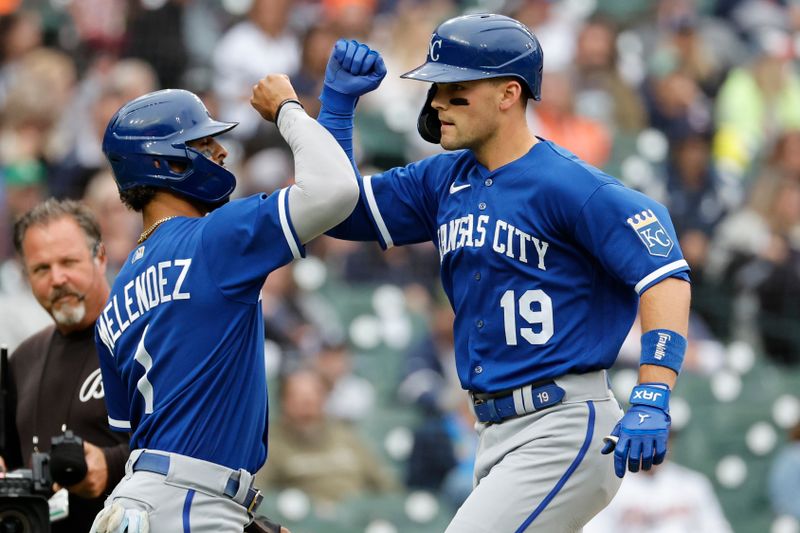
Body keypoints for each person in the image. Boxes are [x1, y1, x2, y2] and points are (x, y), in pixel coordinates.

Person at [317, 14, 692, 532]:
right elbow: (338, 210)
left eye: (457, 90)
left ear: (508, 93)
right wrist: (336, 108)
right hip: (493, 431)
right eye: (436, 90)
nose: (439, 104)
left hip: (563, 421)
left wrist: (653, 391)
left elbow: (665, 270)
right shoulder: (442, 179)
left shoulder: (567, 183)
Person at [89, 76, 359, 533]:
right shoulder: (215, 239)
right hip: (189, 504)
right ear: (164, 162)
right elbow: (337, 190)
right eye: (203, 142)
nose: (221, 152)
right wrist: (288, 110)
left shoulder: (116, 295)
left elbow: (135, 435)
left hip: (144, 500)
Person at [3, 198, 130, 532]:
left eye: (68, 262)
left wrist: (112, 464)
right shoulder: (23, 359)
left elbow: (194, 443)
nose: (57, 278)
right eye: (41, 268)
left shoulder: (143, 337)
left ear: (100, 257)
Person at [254, 367, 396, 504]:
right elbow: (259, 494)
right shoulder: (271, 444)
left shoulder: (346, 436)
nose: (307, 408)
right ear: (284, 402)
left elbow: (385, 486)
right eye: (298, 399)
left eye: (312, 399)